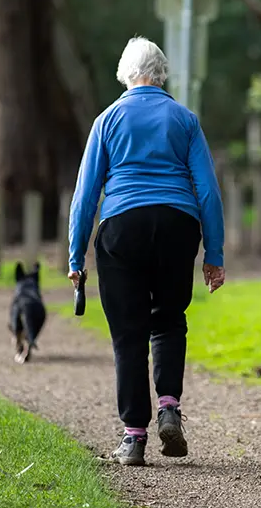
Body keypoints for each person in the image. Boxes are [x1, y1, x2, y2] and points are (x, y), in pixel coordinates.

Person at [67, 36, 226, 467]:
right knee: (170, 319)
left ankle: (134, 437)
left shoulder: (107, 120)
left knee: (129, 334)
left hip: (122, 227)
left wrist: (75, 257)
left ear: (125, 75)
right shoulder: (185, 120)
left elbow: (85, 196)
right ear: (162, 75)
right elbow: (208, 191)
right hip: (178, 225)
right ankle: (169, 407)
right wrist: (215, 253)